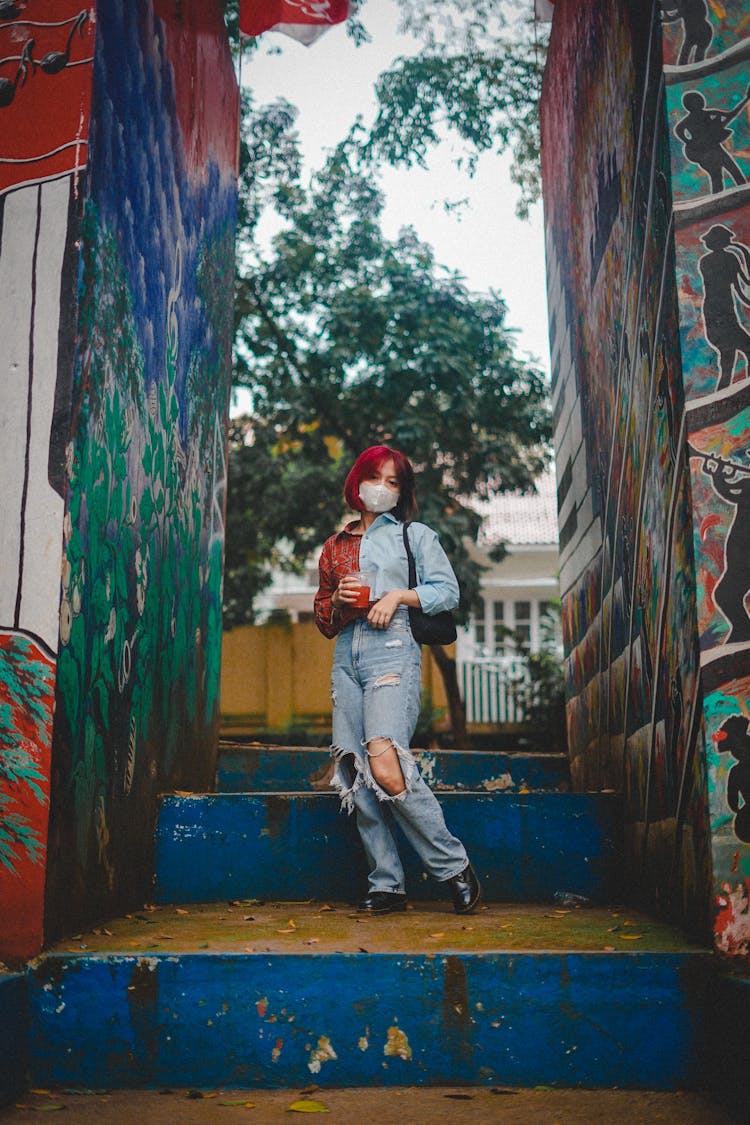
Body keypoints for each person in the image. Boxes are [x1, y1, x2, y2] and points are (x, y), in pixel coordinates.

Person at [314, 444, 481, 916]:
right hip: (346, 654)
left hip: (392, 648)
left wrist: (400, 595)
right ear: (357, 481)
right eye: (376, 478)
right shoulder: (335, 546)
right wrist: (341, 604)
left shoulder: (415, 535)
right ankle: (387, 884)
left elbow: (448, 591)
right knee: (353, 776)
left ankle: (453, 866)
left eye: (394, 483)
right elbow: (324, 618)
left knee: (385, 766)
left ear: (402, 492)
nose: (383, 489)